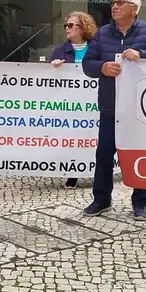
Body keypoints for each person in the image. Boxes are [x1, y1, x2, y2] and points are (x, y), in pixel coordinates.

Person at [81, 0, 146, 221]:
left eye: (120, 3)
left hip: (139, 109)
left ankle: (140, 202)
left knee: (140, 154)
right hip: (111, 107)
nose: (114, 6)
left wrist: (142, 54)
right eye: (114, 2)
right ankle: (101, 199)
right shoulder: (102, 34)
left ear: (134, 9)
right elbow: (87, 64)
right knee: (104, 154)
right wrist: (102, 67)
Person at [49, 11, 99, 189]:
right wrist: (54, 68)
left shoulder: (96, 48)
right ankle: (72, 173)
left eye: (71, 25)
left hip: (93, 101)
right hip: (70, 103)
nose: (67, 29)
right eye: (66, 25)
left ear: (83, 28)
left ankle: (97, 170)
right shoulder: (60, 50)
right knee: (72, 137)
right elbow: (48, 79)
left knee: (93, 137)